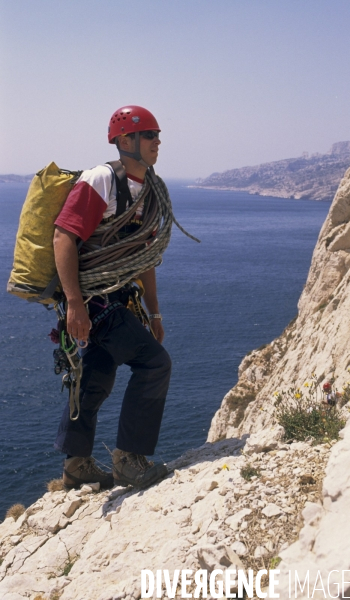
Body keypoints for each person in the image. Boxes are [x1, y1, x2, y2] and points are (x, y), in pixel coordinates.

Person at [53, 105, 172, 490]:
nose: (158, 141)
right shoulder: (101, 180)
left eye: (156, 135)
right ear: (125, 141)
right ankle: (129, 461)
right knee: (154, 364)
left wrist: (154, 314)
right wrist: (73, 302)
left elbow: (144, 257)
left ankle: (76, 464)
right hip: (94, 299)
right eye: (150, 135)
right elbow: (64, 237)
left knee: (97, 374)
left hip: (120, 297)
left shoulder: (149, 190)